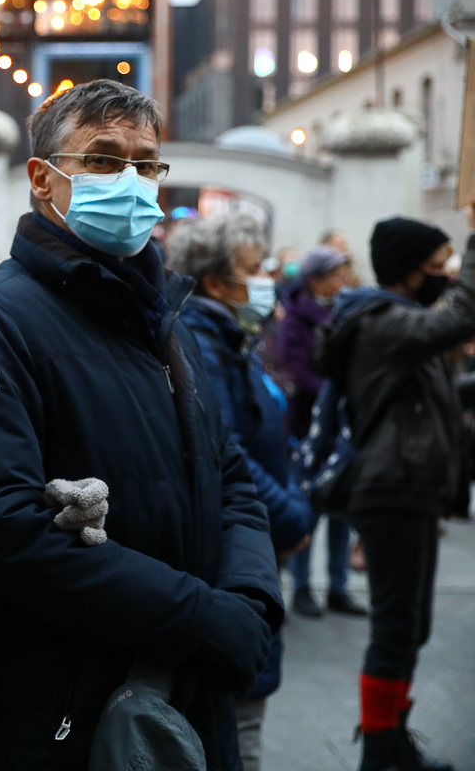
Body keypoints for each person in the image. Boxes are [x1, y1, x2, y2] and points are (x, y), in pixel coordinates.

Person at [0, 79, 283, 771]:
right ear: (42, 178)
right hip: (69, 715)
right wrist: (201, 619)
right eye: (102, 159)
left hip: (186, 687)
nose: (131, 180)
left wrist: (248, 600)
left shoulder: (159, 313)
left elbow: (228, 470)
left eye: (146, 163)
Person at [315, 216, 475, 771]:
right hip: (391, 492)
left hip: (411, 491)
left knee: (411, 626)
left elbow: (440, 384)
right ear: (410, 271)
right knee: (395, 627)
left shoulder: (399, 323)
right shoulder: (381, 321)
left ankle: (391, 739)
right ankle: (381, 752)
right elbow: (464, 317)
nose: (444, 274)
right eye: (438, 265)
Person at [167, 213, 315, 771]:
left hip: (257, 543)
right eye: (253, 271)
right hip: (242, 553)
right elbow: (229, 456)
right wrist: (293, 518)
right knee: (239, 733)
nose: (265, 280)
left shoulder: (231, 334)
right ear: (214, 282)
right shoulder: (203, 341)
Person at [278, 246, 367, 618]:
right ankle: (302, 587)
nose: (341, 281)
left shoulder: (348, 312)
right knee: (309, 508)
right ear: (314, 280)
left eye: (344, 274)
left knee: (343, 507)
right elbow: (296, 370)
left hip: (347, 427)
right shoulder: (295, 319)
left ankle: (338, 586)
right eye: (334, 275)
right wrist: (338, 393)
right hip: (307, 428)